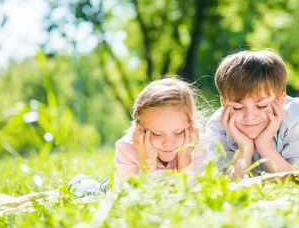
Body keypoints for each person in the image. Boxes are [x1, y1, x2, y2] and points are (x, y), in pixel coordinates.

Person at [206, 49, 299, 180]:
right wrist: (245, 150)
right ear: (224, 103)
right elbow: (223, 186)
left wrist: (265, 146)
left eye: (261, 106)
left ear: (281, 100)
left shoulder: (297, 118)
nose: (250, 116)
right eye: (238, 107)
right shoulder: (219, 125)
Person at [69, 77, 210, 197]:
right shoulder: (127, 149)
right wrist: (148, 161)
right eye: (157, 134)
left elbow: (192, 194)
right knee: (96, 193)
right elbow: (140, 197)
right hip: (119, 190)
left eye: (178, 132)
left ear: (191, 127)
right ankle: (79, 181)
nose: (168, 143)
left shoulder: (199, 146)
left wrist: (185, 157)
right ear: (140, 129)